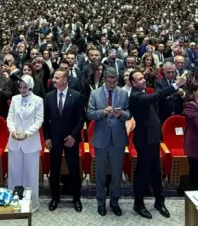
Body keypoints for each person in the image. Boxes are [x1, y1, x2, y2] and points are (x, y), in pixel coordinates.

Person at [128, 69, 186, 219]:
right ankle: (138, 204)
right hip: (144, 140)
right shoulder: (135, 96)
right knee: (142, 172)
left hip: (153, 138)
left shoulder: (144, 93)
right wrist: (175, 85)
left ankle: (159, 201)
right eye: (139, 79)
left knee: (156, 171)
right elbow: (157, 96)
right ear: (132, 83)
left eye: (143, 78)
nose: (143, 80)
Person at [86, 68, 130, 216]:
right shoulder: (95, 93)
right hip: (101, 139)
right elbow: (89, 113)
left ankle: (114, 202)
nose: (112, 85)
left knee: (117, 174)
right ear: (104, 80)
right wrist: (102, 112)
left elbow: (129, 114)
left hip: (118, 139)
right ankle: (100, 202)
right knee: (100, 173)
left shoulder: (123, 93)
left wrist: (121, 114)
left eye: (114, 82)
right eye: (109, 82)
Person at [44, 69, 85, 212]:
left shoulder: (76, 96)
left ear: (65, 80)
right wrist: (47, 137)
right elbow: (45, 120)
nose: (53, 80)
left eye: (57, 78)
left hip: (70, 139)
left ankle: (76, 198)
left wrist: (73, 135)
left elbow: (81, 119)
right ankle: (55, 198)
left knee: (74, 169)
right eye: (54, 77)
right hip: (54, 139)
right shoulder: (49, 96)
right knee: (54, 169)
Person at [6, 73, 44, 212]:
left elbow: (38, 121)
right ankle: (14, 202)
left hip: (30, 142)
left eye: (25, 87)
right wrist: (13, 131)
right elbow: (9, 118)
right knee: (14, 173)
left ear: (30, 87)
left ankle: (31, 204)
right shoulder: (14, 99)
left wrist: (26, 134)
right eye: (20, 87)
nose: (22, 90)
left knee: (30, 174)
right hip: (15, 141)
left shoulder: (38, 100)